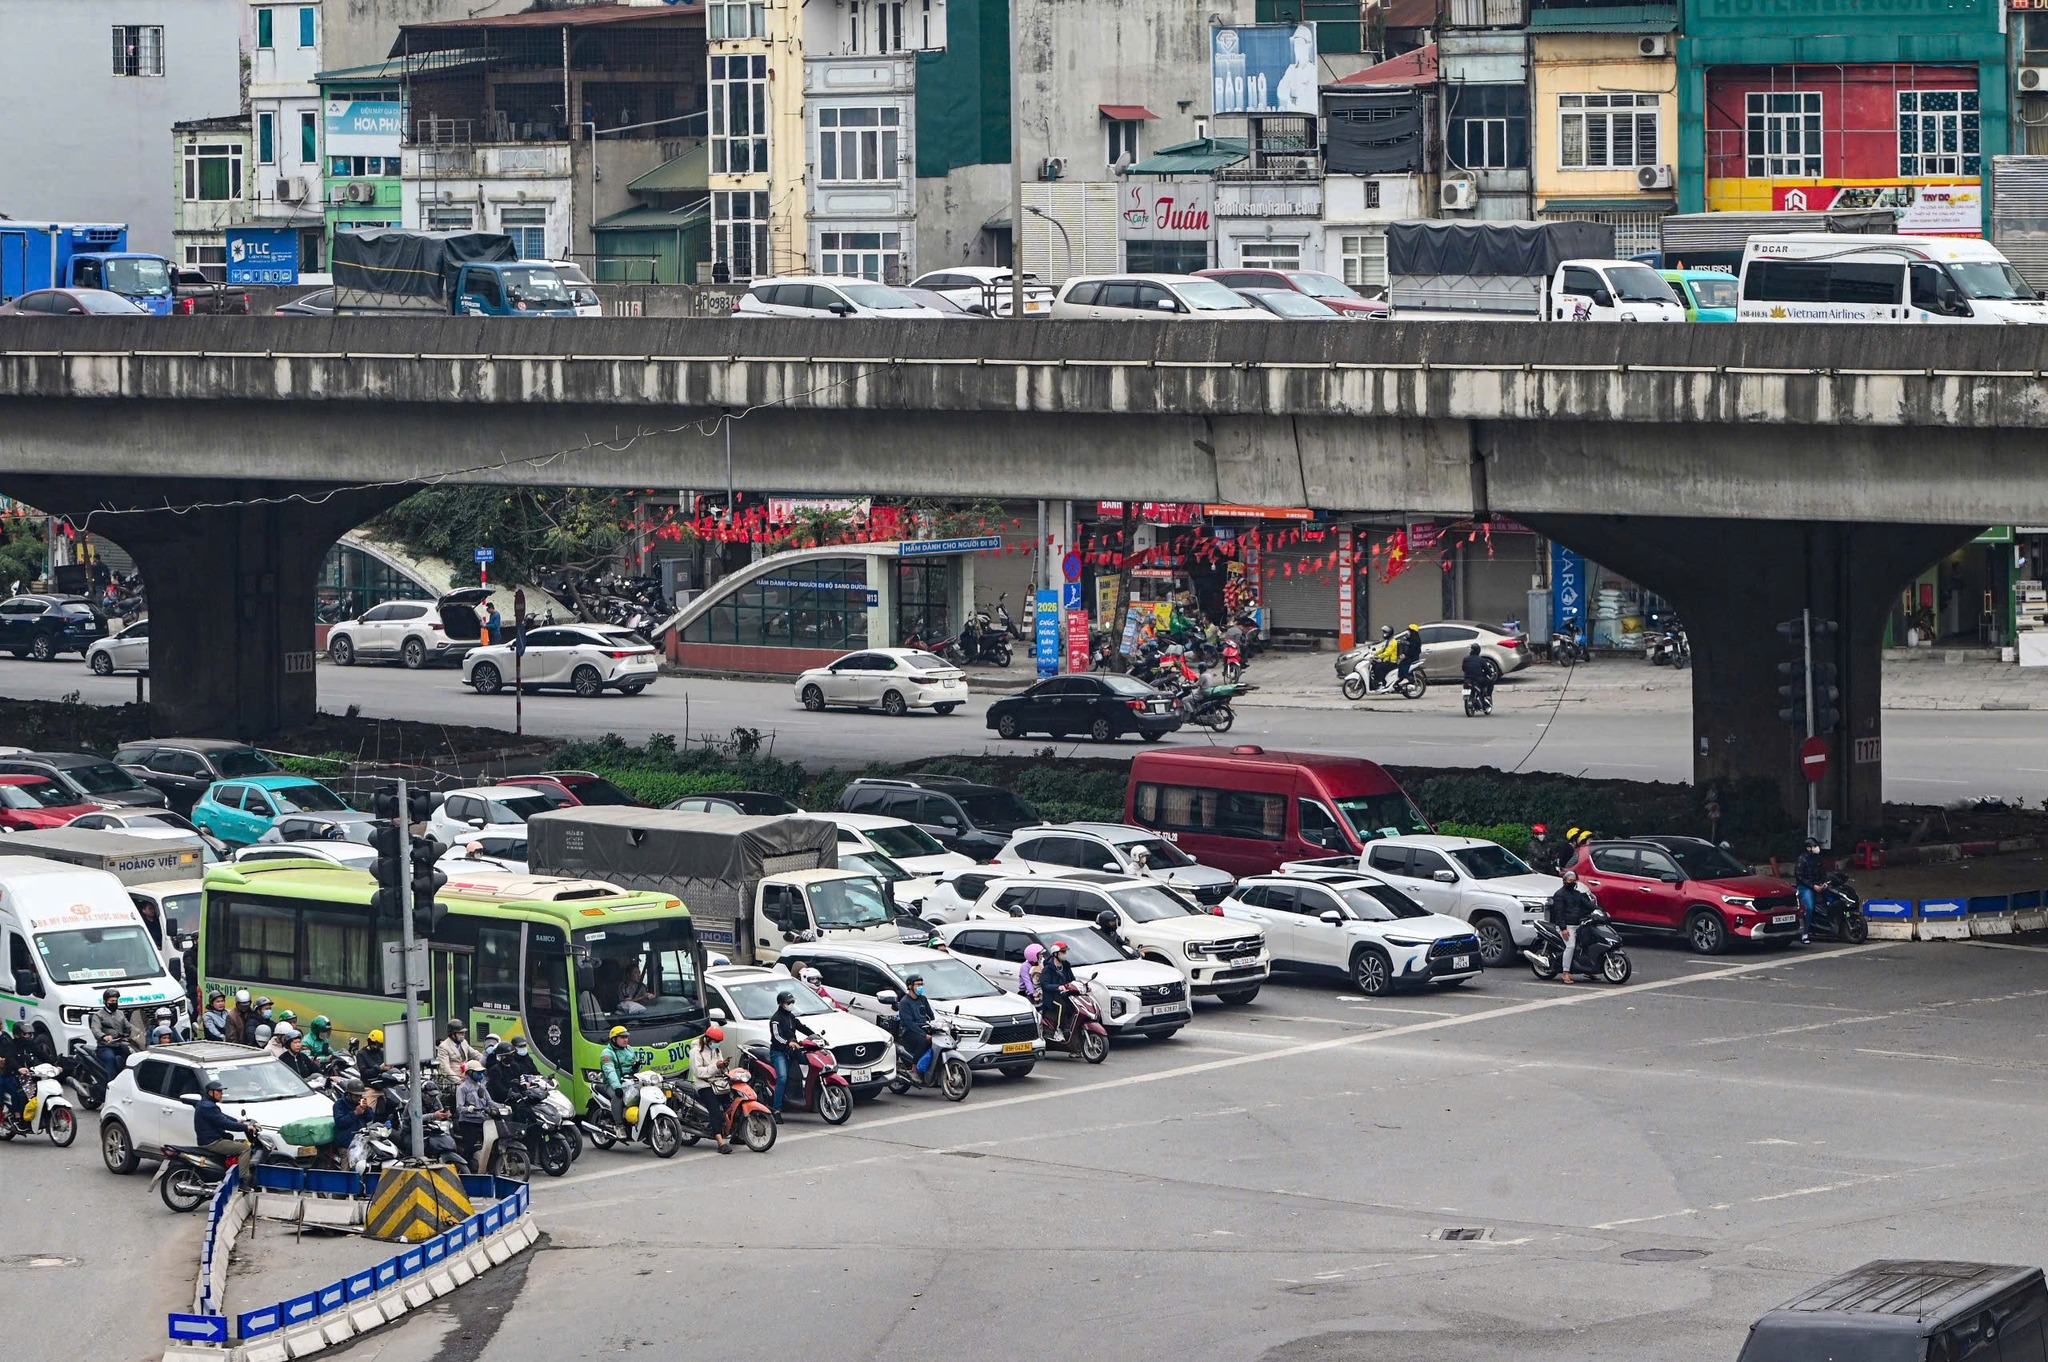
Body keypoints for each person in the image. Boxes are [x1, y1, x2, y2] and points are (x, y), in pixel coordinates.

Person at [768, 990, 820, 1120]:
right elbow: (777, 1037)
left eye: (792, 1002)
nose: (791, 1004)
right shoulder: (775, 1020)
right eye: (788, 1003)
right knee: (782, 1078)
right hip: (779, 1052)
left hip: (793, 1051)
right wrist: (788, 1043)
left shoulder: (791, 1017)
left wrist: (816, 1037)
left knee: (813, 1064)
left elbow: (803, 1027)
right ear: (781, 1004)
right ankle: (776, 1110)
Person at [1545, 869, 1599, 985]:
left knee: (1587, 942)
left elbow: (1588, 905)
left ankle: (1588, 969)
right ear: (1564, 881)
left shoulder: (1577, 894)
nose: (1572, 882)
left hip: (1579, 924)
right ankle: (1565, 972)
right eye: (1570, 880)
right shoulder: (1559, 895)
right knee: (1570, 946)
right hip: (1567, 926)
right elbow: (1559, 913)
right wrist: (1563, 928)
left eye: (1574, 880)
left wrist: (1600, 911)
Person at [689, 1025, 731, 1153]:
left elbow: (720, 1067)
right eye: (715, 1041)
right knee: (714, 1110)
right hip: (702, 1084)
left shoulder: (716, 1050)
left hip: (717, 1083)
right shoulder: (696, 1051)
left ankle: (735, 1133)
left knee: (730, 1105)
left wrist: (724, 1066)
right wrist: (716, 1066)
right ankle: (720, 1141)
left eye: (719, 1042)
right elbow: (699, 1072)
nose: (717, 1044)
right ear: (708, 1039)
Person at [194, 1077, 258, 1159]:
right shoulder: (208, 1107)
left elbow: (221, 1115)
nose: (221, 1094)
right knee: (245, 1148)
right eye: (219, 1091)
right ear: (210, 1092)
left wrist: (237, 1121)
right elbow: (226, 1124)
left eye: (221, 1091)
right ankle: (243, 1168)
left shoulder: (205, 1103)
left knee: (236, 1140)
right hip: (212, 1142)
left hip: (209, 1140)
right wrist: (246, 1127)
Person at [597, 1026, 645, 1133]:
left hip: (628, 1082)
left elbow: (632, 1068)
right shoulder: (607, 1054)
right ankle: (619, 1125)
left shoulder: (629, 1049)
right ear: (614, 1039)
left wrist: (636, 1067)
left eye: (626, 1037)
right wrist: (617, 1087)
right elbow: (610, 1072)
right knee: (618, 1096)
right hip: (612, 1084)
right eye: (622, 1037)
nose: (625, 1040)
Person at [894, 975, 937, 1081]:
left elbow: (931, 1015)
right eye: (918, 984)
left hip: (923, 1028)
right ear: (910, 986)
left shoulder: (923, 999)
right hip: (909, 1031)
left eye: (921, 984)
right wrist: (924, 1035)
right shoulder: (905, 1002)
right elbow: (909, 1023)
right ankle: (914, 1070)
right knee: (923, 1041)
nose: (920, 987)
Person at [88, 988, 133, 1086]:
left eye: (116, 1001)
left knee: (132, 1056)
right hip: (105, 1046)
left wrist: (136, 1032)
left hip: (120, 1043)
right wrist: (104, 1036)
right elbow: (95, 1029)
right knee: (110, 1059)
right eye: (112, 1001)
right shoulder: (98, 1015)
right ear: (105, 1001)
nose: (114, 1003)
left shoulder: (120, 1013)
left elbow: (128, 1026)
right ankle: (111, 1084)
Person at [453, 1060, 491, 1170]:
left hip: (482, 1120)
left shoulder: (481, 1087)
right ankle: (463, 1168)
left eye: (481, 1072)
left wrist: (502, 1106)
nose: (481, 1075)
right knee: (471, 1145)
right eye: (478, 1072)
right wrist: (468, 1109)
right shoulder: (462, 1088)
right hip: (467, 1122)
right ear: (470, 1073)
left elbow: (490, 1102)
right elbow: (459, 1108)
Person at [1039, 941, 1079, 1042]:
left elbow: (1072, 979)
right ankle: (1058, 1030)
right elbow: (1045, 985)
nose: (1065, 954)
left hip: (1065, 994)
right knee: (1062, 1006)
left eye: (1065, 952)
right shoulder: (1048, 969)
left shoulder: (1066, 965)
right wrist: (1058, 987)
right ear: (1056, 953)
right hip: (1051, 997)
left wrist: (1080, 986)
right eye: (1063, 952)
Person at [486, 1036, 538, 1103]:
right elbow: (498, 1088)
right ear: (501, 1057)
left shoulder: (515, 1066)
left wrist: (526, 1089)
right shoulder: (495, 1070)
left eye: (512, 1054)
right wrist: (510, 1094)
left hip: (519, 1099)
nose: (511, 1057)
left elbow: (522, 1080)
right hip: (504, 1101)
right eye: (508, 1055)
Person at [1794, 837, 1824, 944]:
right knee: (1809, 908)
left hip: (1817, 885)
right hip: (1805, 887)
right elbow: (1799, 876)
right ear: (1808, 848)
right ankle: (1805, 933)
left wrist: (1824, 883)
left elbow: (1822, 872)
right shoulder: (1802, 859)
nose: (1817, 848)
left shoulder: (1817, 858)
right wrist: (1813, 886)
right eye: (1814, 846)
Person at [435, 1020, 482, 1085]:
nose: (463, 1035)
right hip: (452, 1082)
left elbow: (475, 1054)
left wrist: (486, 1059)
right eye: (460, 1033)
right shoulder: (444, 1047)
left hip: (466, 1077)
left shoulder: (464, 1042)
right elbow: (445, 1068)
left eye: (463, 1033)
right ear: (452, 1034)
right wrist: (459, 1081)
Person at [0, 1021, 24, 1121]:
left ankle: (17, 1113)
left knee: (16, 1090)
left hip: (7, 1070)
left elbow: (11, 1054)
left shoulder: (5, 1036)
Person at [1460, 642, 1494, 707]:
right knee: (1491, 681)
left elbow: (1463, 668)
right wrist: (1490, 674)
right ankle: (1488, 696)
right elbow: (1487, 670)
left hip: (1467, 679)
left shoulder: (1466, 659)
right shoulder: (1481, 660)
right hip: (1478, 680)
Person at [1367, 625, 1398, 692]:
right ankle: (1378, 682)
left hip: (1391, 662)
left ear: (1390, 633)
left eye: (1386, 633)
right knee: (1374, 665)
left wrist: (1378, 656)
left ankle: (1380, 683)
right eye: (1384, 632)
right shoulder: (1388, 641)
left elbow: (1388, 652)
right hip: (1386, 661)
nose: (1384, 634)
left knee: (1378, 667)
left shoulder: (1393, 642)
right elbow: (1382, 649)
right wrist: (1373, 654)